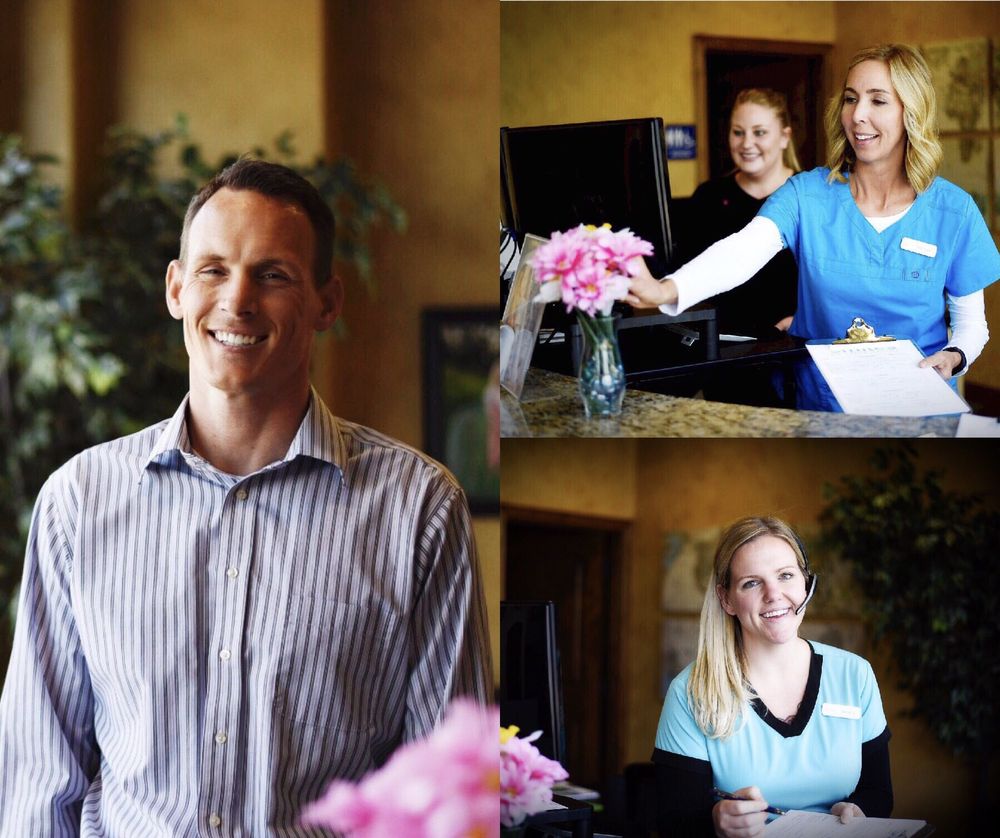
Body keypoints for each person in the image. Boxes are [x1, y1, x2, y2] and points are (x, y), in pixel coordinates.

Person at [0, 158, 492, 835]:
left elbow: (450, 793)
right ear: (175, 288)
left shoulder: (419, 508)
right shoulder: (77, 504)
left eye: (274, 274)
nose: (237, 301)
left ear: (328, 302)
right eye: (212, 270)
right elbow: (37, 786)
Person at [627, 44, 1000, 412]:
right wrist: (666, 290)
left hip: (921, 409)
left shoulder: (954, 210)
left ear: (911, 112)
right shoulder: (806, 196)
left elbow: (971, 325)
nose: (858, 116)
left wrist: (955, 356)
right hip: (826, 409)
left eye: (878, 101)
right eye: (851, 99)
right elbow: (740, 252)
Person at [652, 517, 892, 837]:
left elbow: (879, 792)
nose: (774, 594)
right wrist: (715, 822)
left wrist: (861, 810)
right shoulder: (690, 691)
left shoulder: (855, 674)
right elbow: (672, 821)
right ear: (726, 599)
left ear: (806, 583)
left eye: (786, 576)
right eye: (752, 582)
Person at [681, 88, 800, 406]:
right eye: (738, 132)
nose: (747, 143)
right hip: (724, 356)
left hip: (791, 354)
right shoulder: (708, 197)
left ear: (784, 137)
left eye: (759, 132)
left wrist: (803, 317)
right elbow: (687, 274)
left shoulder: (809, 197)